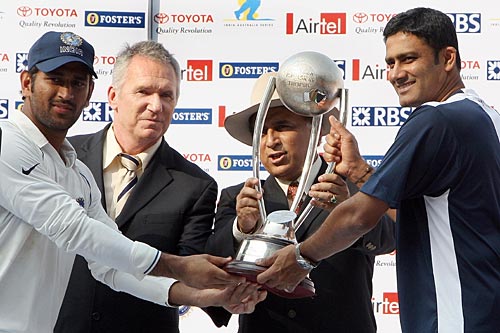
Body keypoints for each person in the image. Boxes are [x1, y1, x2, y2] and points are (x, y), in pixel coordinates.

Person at [0, 31, 264, 333]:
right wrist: (177, 266)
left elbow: (110, 267)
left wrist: (203, 294)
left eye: (78, 83)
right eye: (56, 79)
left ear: (90, 94)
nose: (66, 93)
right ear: (26, 83)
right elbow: (71, 228)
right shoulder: (6, 142)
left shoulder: (77, 174)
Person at [257, 7, 500, 332]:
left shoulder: (434, 120)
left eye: (409, 59)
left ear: (448, 58)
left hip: (453, 319)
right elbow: (424, 217)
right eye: (390, 62)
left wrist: (302, 257)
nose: (395, 74)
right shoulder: (485, 117)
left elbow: (360, 216)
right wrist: (358, 171)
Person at [205, 72, 395, 332]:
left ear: (315, 129)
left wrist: (350, 212)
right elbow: (210, 275)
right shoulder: (237, 198)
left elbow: (390, 239)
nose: (271, 141)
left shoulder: (351, 190)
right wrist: (242, 230)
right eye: (262, 132)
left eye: (283, 126)